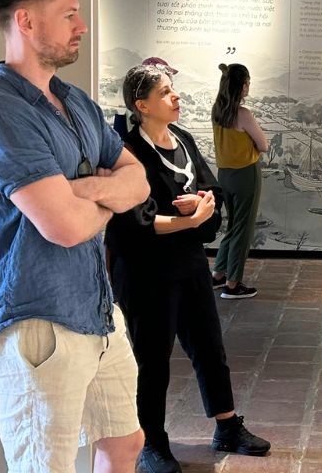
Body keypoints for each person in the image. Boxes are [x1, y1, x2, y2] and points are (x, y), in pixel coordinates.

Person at [0, 0, 151, 472]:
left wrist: (83, 191)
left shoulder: (76, 103)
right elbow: (62, 227)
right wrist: (108, 195)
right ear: (25, 21)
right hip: (38, 321)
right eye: (68, 14)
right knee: (46, 466)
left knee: (124, 441)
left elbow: (139, 181)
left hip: (95, 310)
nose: (81, 26)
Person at [106, 65, 270, 472]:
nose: (175, 97)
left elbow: (211, 189)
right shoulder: (127, 152)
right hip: (145, 271)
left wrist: (201, 206)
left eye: (173, 89)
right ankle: (152, 444)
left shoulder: (183, 139)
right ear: (141, 105)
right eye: (165, 93)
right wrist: (190, 221)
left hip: (189, 263)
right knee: (152, 359)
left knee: (210, 348)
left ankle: (227, 425)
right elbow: (133, 221)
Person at [210, 63, 268, 299]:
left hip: (224, 175)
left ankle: (218, 275)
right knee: (243, 230)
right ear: (243, 85)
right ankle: (233, 284)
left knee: (233, 226)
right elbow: (263, 145)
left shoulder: (217, 110)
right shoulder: (243, 114)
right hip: (245, 175)